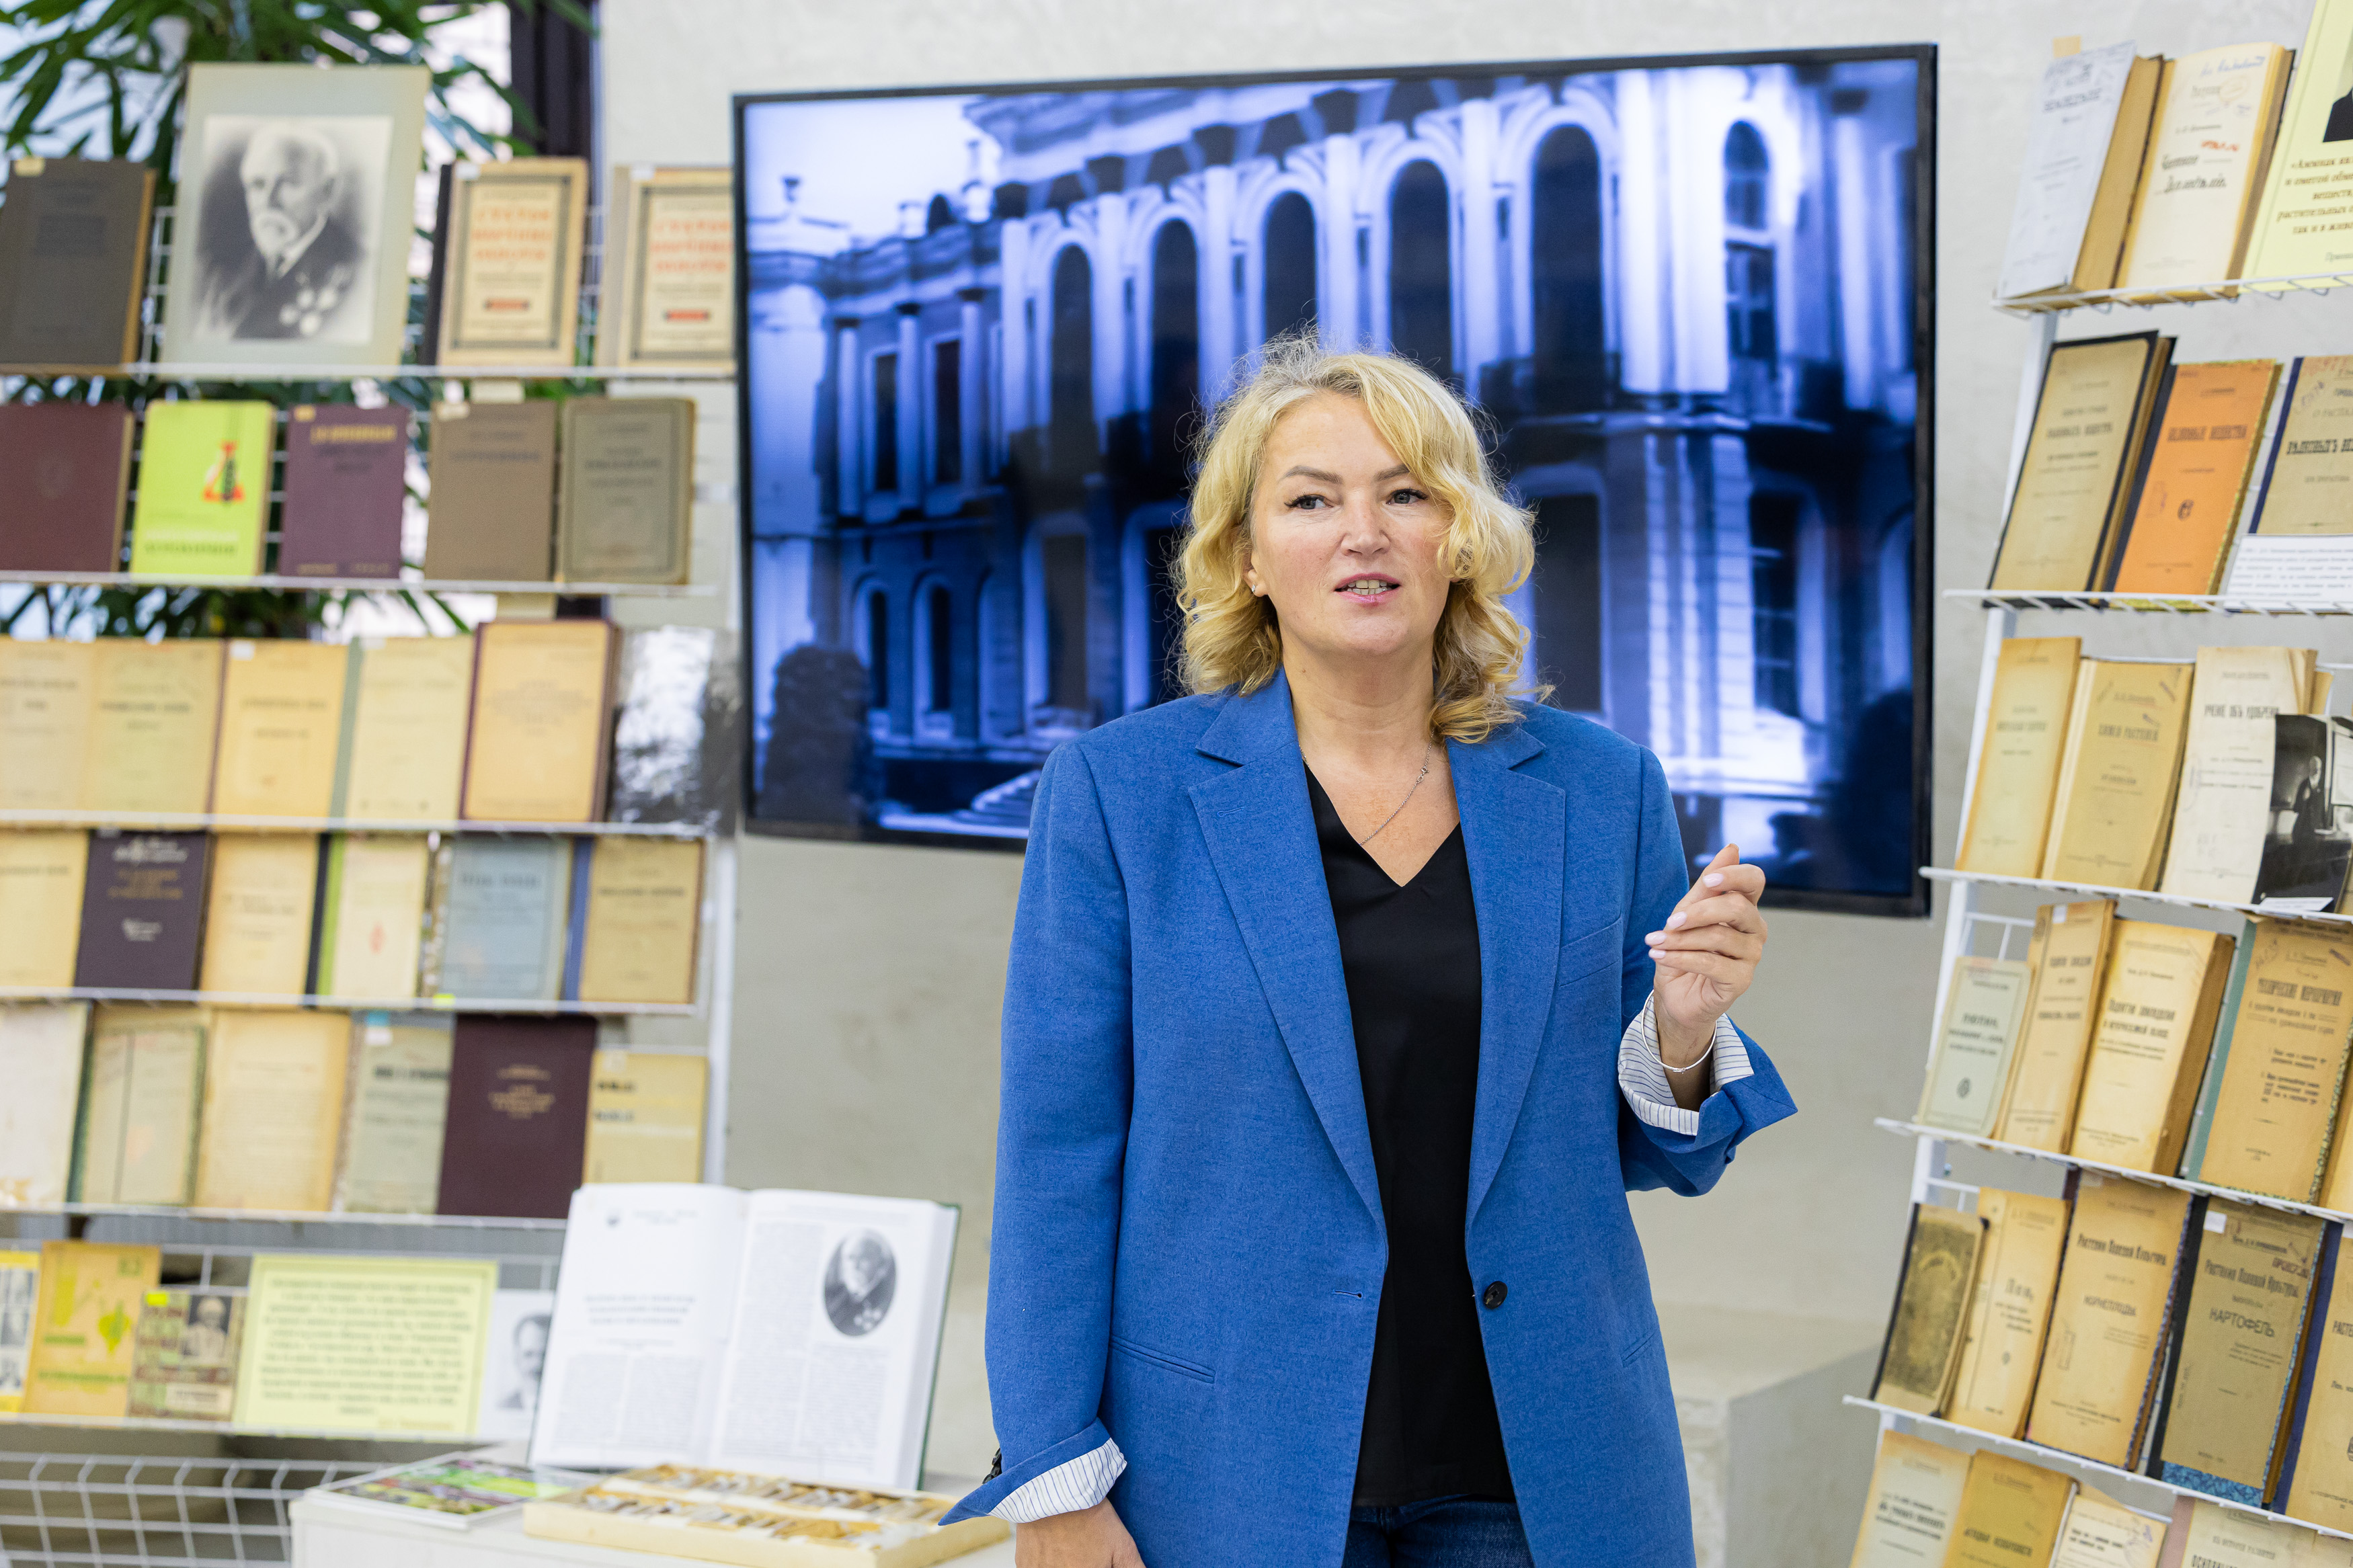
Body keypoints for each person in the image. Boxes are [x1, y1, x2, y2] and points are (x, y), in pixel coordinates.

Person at [943, 341, 1794, 1567]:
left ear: (1461, 536)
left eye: (1406, 493)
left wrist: (1684, 1028)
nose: (1364, 533)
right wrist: (1053, 1477)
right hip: (1229, 1468)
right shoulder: (1120, 794)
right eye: (1311, 499)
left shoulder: (1601, 787)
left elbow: (1663, 1153)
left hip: (1540, 1472)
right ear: (1246, 554)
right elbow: (1056, 1156)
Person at [204, 124, 364, 341]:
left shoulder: (358, 270)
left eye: (288, 183)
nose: (268, 202)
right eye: (258, 184)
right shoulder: (224, 274)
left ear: (326, 191)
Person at [497, 1314, 551, 1413]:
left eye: (545, 1355)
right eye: (528, 1354)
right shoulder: (502, 1408)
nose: (537, 1364)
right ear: (516, 1357)